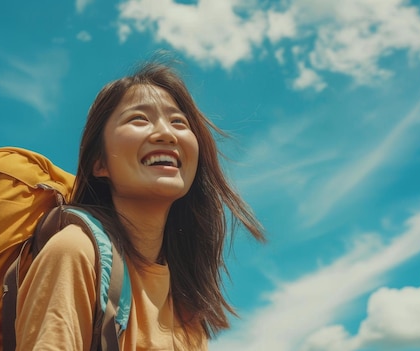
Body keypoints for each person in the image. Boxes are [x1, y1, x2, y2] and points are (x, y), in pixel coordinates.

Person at [15, 61, 265, 350]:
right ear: (99, 163)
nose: (166, 134)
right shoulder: (76, 252)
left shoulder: (187, 304)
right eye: (139, 119)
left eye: (179, 122)